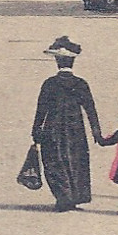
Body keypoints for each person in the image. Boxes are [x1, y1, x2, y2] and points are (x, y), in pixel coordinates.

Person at [30, 36, 104, 212]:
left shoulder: (49, 84)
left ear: (57, 61)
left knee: (55, 160)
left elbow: (41, 109)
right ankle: (74, 198)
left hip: (52, 128)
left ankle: (63, 197)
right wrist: (96, 132)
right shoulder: (80, 84)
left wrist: (36, 129)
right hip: (75, 128)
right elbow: (90, 109)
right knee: (76, 160)